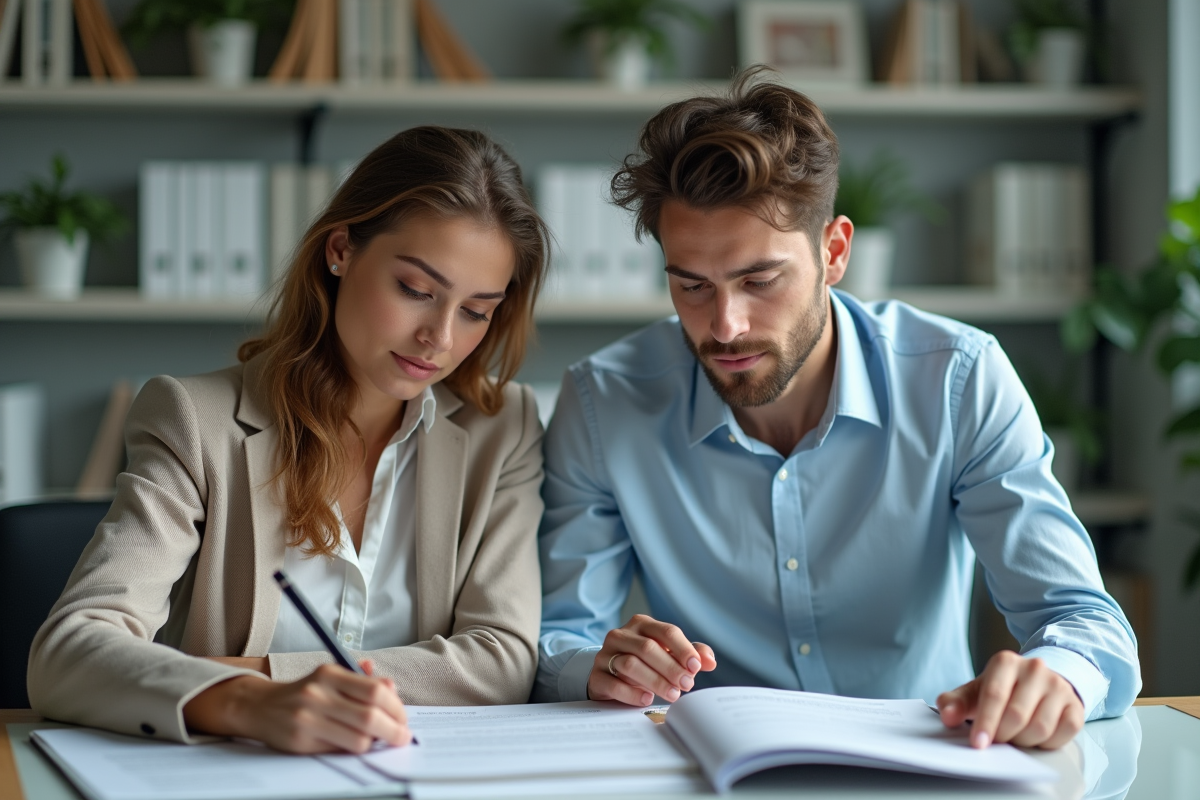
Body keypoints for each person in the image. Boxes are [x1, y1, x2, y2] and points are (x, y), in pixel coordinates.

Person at [534, 72, 1140, 752]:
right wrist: (601, 667)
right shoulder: (602, 403)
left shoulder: (958, 379)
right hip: (712, 775)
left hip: (930, 769)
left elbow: (1084, 620)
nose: (725, 326)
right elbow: (557, 637)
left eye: (759, 280)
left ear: (835, 251)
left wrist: (1054, 680)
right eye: (691, 285)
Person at [29, 126, 549, 753]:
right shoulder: (195, 419)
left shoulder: (504, 427)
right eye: (415, 290)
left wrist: (279, 678)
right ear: (340, 250)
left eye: (475, 310)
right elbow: (69, 650)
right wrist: (251, 704)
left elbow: (501, 661)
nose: (438, 337)